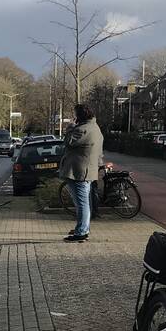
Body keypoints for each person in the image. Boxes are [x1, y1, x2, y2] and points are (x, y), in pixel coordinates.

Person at [58, 103, 103, 243]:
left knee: (81, 203)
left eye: (75, 114)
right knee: (84, 202)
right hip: (86, 171)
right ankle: (84, 227)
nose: (74, 117)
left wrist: (70, 127)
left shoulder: (83, 129)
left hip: (79, 172)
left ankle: (81, 232)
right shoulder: (95, 128)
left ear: (80, 116)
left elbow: (68, 142)